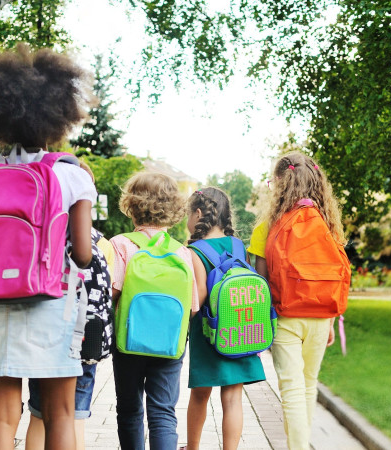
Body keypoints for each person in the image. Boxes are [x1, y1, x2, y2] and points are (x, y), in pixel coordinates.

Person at [0, 43, 96, 450]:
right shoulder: (70, 176)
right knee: (60, 415)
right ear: (59, 117)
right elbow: (84, 254)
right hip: (49, 304)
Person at [249, 151, 347, 450]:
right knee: (308, 385)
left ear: (279, 184)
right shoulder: (329, 224)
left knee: (291, 388)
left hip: (285, 316)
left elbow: (260, 283)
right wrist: (329, 320)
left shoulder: (267, 228)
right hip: (322, 316)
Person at [24, 162, 112, 450]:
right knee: (74, 419)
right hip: (85, 341)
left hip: (43, 336)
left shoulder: (38, 240)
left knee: (38, 416)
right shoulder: (101, 244)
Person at [109, 172, 199, 450]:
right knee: (163, 412)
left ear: (132, 205)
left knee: (129, 410)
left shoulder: (121, 244)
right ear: (173, 208)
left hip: (128, 342)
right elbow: (192, 307)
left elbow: (111, 294)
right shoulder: (182, 253)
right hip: (169, 345)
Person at [183, 187, 266, 450]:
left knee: (200, 395)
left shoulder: (196, 251)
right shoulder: (238, 245)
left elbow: (199, 298)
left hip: (209, 332)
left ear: (198, 214)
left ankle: (193, 447)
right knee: (232, 398)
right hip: (240, 329)